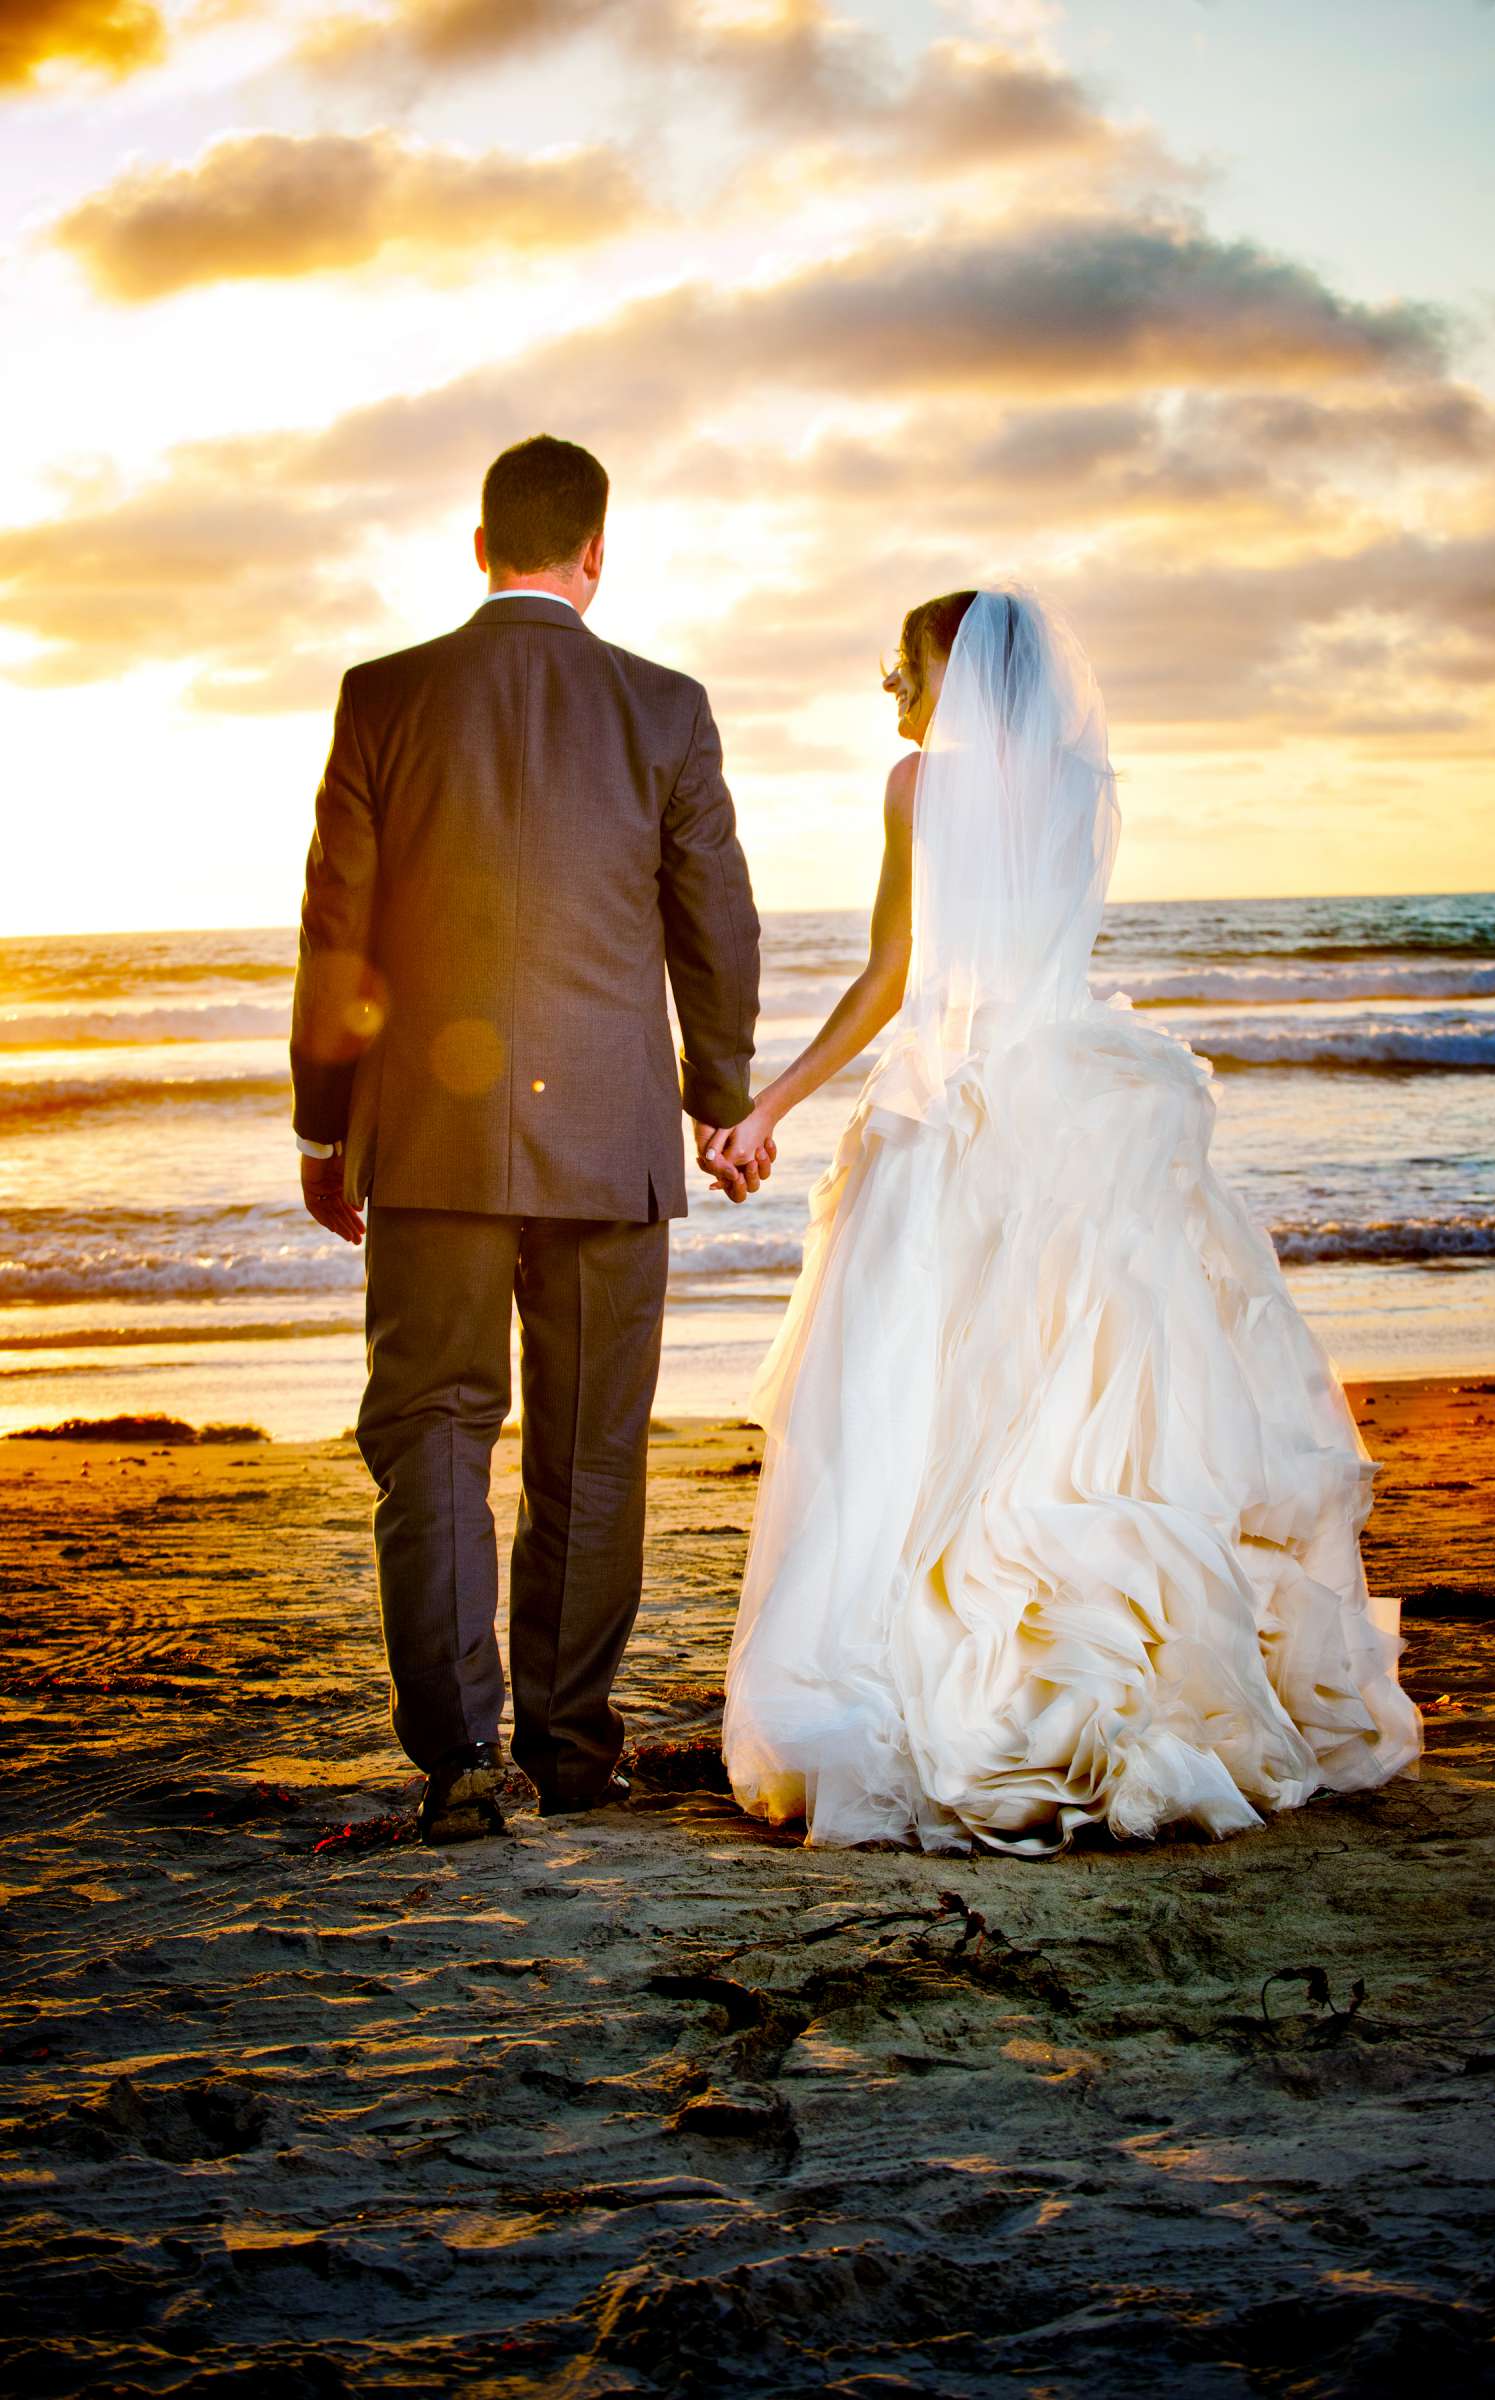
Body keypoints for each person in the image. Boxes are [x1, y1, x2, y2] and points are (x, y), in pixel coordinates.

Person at [708, 585, 1422, 1857]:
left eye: (907, 664)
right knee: (1079, 1402)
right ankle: (1101, 1671)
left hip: (962, 1115)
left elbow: (892, 980)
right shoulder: (1084, 789)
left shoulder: (915, 788)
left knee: (918, 1408)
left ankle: (938, 1676)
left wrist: (769, 1104)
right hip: (1081, 1101)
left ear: (965, 675)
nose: (893, 687)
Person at [290, 433, 766, 1844]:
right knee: (591, 1446)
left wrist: (327, 1125)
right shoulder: (665, 708)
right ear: (595, 554)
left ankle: (457, 1761)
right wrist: (718, 1090)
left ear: (479, 542)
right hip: (610, 1137)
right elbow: (717, 925)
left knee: (432, 1431)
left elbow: (336, 932)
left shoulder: (383, 695)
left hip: (430, 1138)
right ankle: (568, 1747)